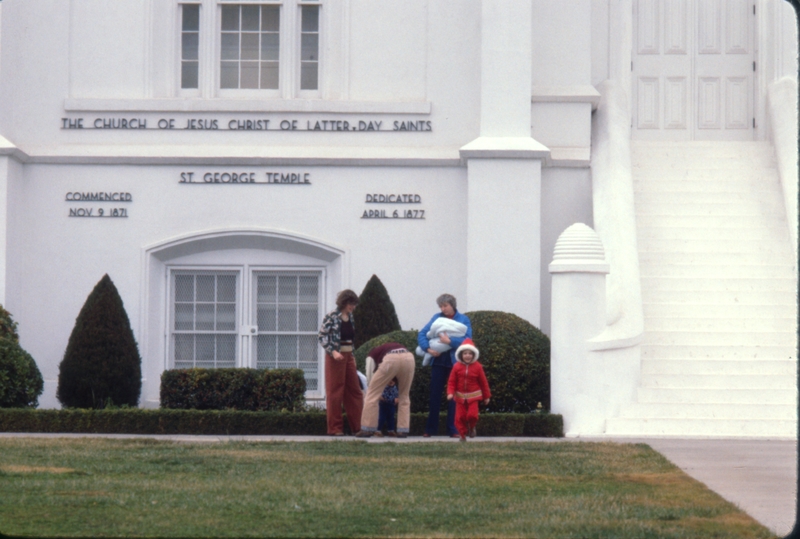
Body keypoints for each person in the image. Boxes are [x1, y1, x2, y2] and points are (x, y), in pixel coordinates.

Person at [418, 294, 472, 438]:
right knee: (434, 395)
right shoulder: (436, 318)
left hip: (456, 363)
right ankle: (430, 429)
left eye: (445, 306)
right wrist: (428, 349)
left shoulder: (463, 320)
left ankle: (454, 429)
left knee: (454, 396)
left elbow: (468, 340)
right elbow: (422, 334)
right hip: (438, 362)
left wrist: (450, 341)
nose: (443, 309)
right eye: (441, 306)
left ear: (452, 305)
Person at [318, 289, 363, 436]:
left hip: (349, 356)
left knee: (355, 391)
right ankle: (335, 429)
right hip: (335, 357)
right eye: (351, 303)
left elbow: (351, 339)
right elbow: (322, 337)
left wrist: (353, 356)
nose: (352, 307)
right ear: (344, 302)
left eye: (354, 304)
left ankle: (358, 427)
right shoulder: (331, 317)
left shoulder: (351, 317)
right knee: (335, 391)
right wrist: (333, 351)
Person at [356, 342, 415, 438]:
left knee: (372, 394)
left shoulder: (372, 354)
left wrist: (372, 386)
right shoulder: (389, 347)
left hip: (391, 359)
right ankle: (402, 430)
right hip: (408, 357)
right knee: (404, 395)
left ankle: (367, 429)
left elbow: (369, 373)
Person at [447, 338, 491, 442]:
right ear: (461, 355)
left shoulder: (478, 367)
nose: (467, 356)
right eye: (465, 353)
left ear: (473, 355)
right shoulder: (456, 367)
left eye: (470, 353)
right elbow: (452, 381)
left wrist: (486, 396)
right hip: (460, 397)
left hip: (473, 396)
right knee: (460, 417)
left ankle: (472, 427)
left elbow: (483, 382)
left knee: (472, 415)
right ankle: (462, 435)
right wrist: (450, 392)